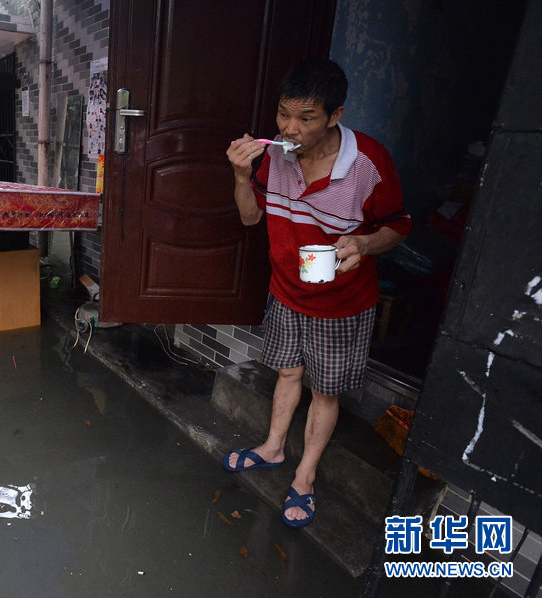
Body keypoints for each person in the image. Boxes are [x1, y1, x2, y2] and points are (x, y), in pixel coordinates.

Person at [223, 59, 411, 528]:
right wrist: (242, 177)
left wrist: (365, 243)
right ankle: (272, 448)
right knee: (288, 373)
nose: (291, 128)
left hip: (343, 301)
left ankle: (304, 478)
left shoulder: (368, 162)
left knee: (325, 392)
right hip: (286, 290)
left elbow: (398, 225)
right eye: (284, 114)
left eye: (306, 118)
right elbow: (251, 219)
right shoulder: (274, 155)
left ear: (335, 115)